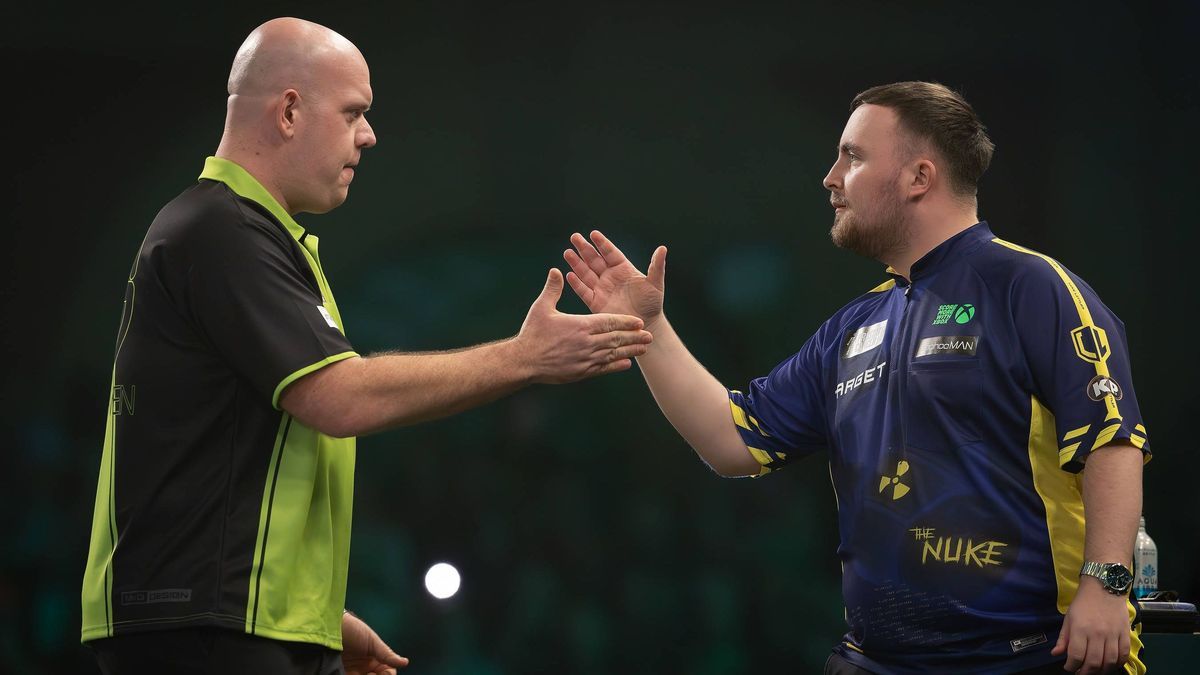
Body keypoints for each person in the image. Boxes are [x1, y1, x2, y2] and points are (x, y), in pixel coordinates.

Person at [80, 17, 652, 675]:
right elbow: (338, 398)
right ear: (290, 111)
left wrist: (313, 616)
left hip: (227, 617)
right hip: (203, 624)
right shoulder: (222, 229)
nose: (369, 134)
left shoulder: (241, 234)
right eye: (354, 112)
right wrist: (526, 356)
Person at [563, 81, 1149, 674]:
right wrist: (650, 330)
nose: (830, 177)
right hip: (878, 662)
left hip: (1032, 656)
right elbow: (733, 441)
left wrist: (1106, 584)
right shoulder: (853, 327)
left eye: (854, 156)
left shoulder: (1031, 287)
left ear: (920, 177)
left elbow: (1112, 437)